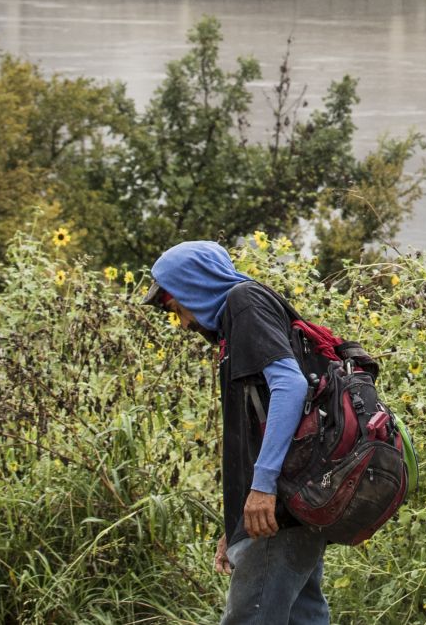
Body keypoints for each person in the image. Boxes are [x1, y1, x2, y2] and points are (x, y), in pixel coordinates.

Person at [147, 241, 326, 625]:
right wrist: (235, 526)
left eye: (178, 308)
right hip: (288, 506)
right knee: (302, 617)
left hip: (279, 508)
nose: (183, 323)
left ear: (194, 288)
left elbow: (289, 386)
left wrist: (263, 488)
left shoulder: (244, 303)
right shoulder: (238, 321)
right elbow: (254, 429)